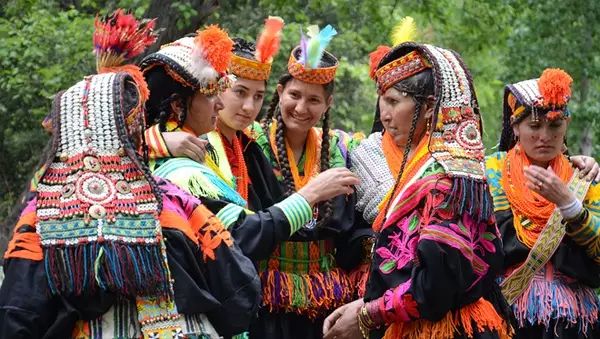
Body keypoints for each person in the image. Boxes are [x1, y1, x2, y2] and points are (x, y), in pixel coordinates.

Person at [0, 10, 260, 338]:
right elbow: (238, 289)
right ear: (133, 129)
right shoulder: (171, 202)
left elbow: (17, 313)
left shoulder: (41, 212)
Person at [323, 41, 513, 339]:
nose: (384, 114)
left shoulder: (448, 176)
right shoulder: (433, 165)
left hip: (447, 328)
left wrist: (367, 315)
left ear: (428, 106)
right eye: (382, 101)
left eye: (394, 101)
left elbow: (436, 284)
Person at [240, 25, 370, 339]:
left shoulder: (343, 149)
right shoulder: (248, 143)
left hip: (325, 297)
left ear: (328, 104)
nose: (301, 108)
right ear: (280, 93)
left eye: (314, 100)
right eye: (294, 95)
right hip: (264, 296)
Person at [486, 68, 600, 338]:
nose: (545, 136)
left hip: (575, 320)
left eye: (554, 125)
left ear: (566, 125)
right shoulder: (491, 174)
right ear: (515, 127)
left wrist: (569, 203)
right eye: (534, 126)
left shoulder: (584, 177)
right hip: (509, 315)